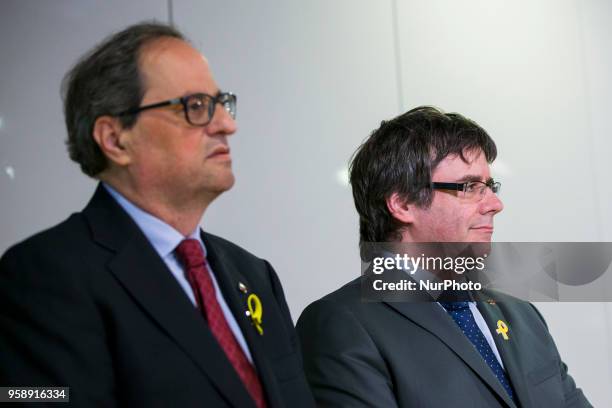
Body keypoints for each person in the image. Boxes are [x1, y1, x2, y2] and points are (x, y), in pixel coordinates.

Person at [0, 22, 314, 407]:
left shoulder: (254, 276)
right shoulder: (43, 276)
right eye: (196, 106)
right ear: (116, 139)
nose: (227, 125)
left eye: (221, 103)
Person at [296, 106, 591, 407]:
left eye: (490, 187)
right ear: (403, 203)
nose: (495, 204)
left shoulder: (522, 315)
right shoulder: (342, 324)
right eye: (470, 187)